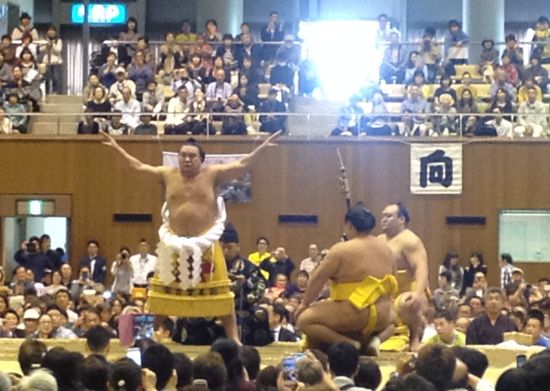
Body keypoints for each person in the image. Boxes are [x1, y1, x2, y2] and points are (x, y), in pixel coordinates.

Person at [101, 131, 281, 343]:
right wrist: (117, 149)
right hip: (174, 246)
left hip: (205, 245)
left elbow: (241, 165)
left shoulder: (213, 174)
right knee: (161, 298)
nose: (187, 159)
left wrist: (261, 149)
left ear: (201, 159)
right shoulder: (167, 174)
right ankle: (142, 338)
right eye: (183, 155)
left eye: (192, 156)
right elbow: (139, 167)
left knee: (221, 296)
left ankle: (234, 339)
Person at [295, 203, 398, 350]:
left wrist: (304, 304)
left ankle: (349, 344)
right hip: (382, 316)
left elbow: (317, 279)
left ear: (349, 225)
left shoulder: (341, 249)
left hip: (354, 312)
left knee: (304, 320)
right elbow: (393, 283)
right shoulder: (388, 250)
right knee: (394, 321)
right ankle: (374, 341)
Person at [379, 203, 429, 352]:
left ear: (401, 219)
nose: (384, 220)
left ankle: (414, 338)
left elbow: (421, 267)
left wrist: (419, 293)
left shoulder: (410, 240)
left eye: (389, 216)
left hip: (406, 290)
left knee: (409, 302)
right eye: (383, 216)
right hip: (385, 292)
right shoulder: (379, 240)